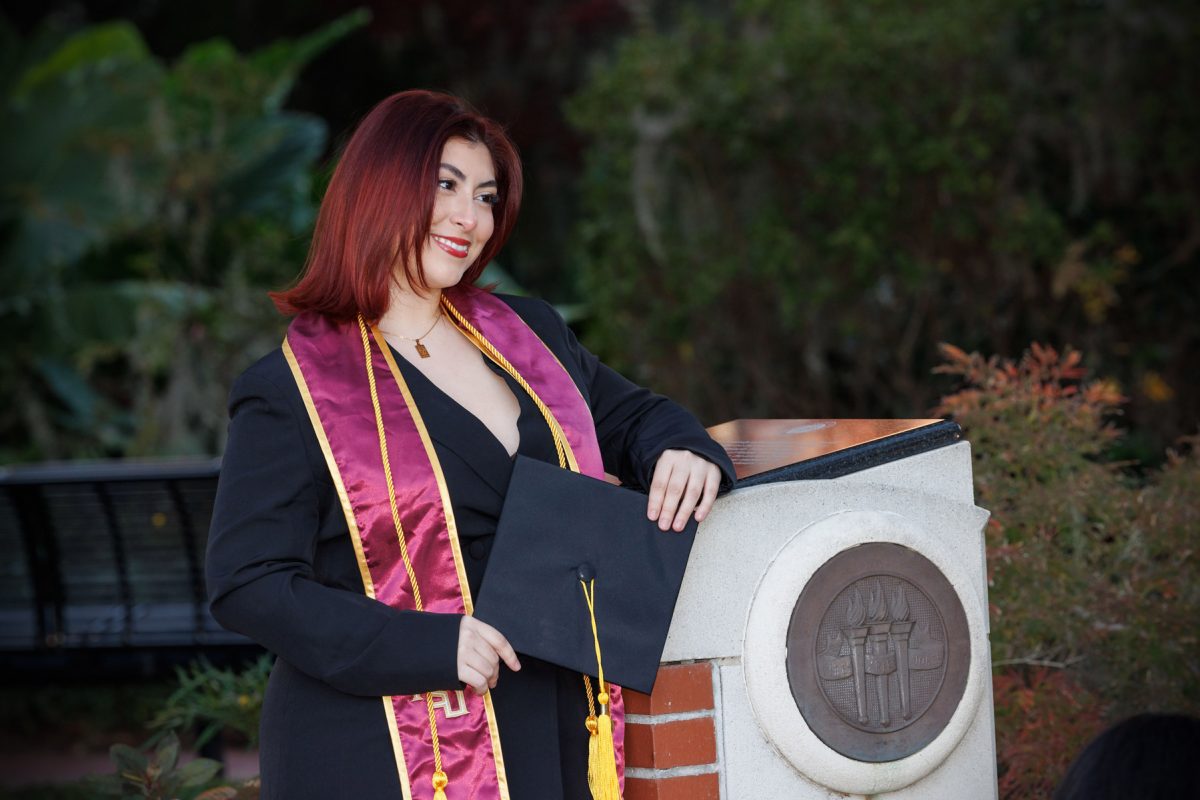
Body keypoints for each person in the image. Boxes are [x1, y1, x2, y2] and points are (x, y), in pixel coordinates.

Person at [205, 89, 735, 800]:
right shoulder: (291, 390)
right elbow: (250, 582)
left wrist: (683, 448)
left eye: (486, 197)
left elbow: (635, 415)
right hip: (380, 739)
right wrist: (429, 644)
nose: (471, 217)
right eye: (446, 186)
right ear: (379, 187)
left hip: (549, 711)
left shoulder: (529, 337)